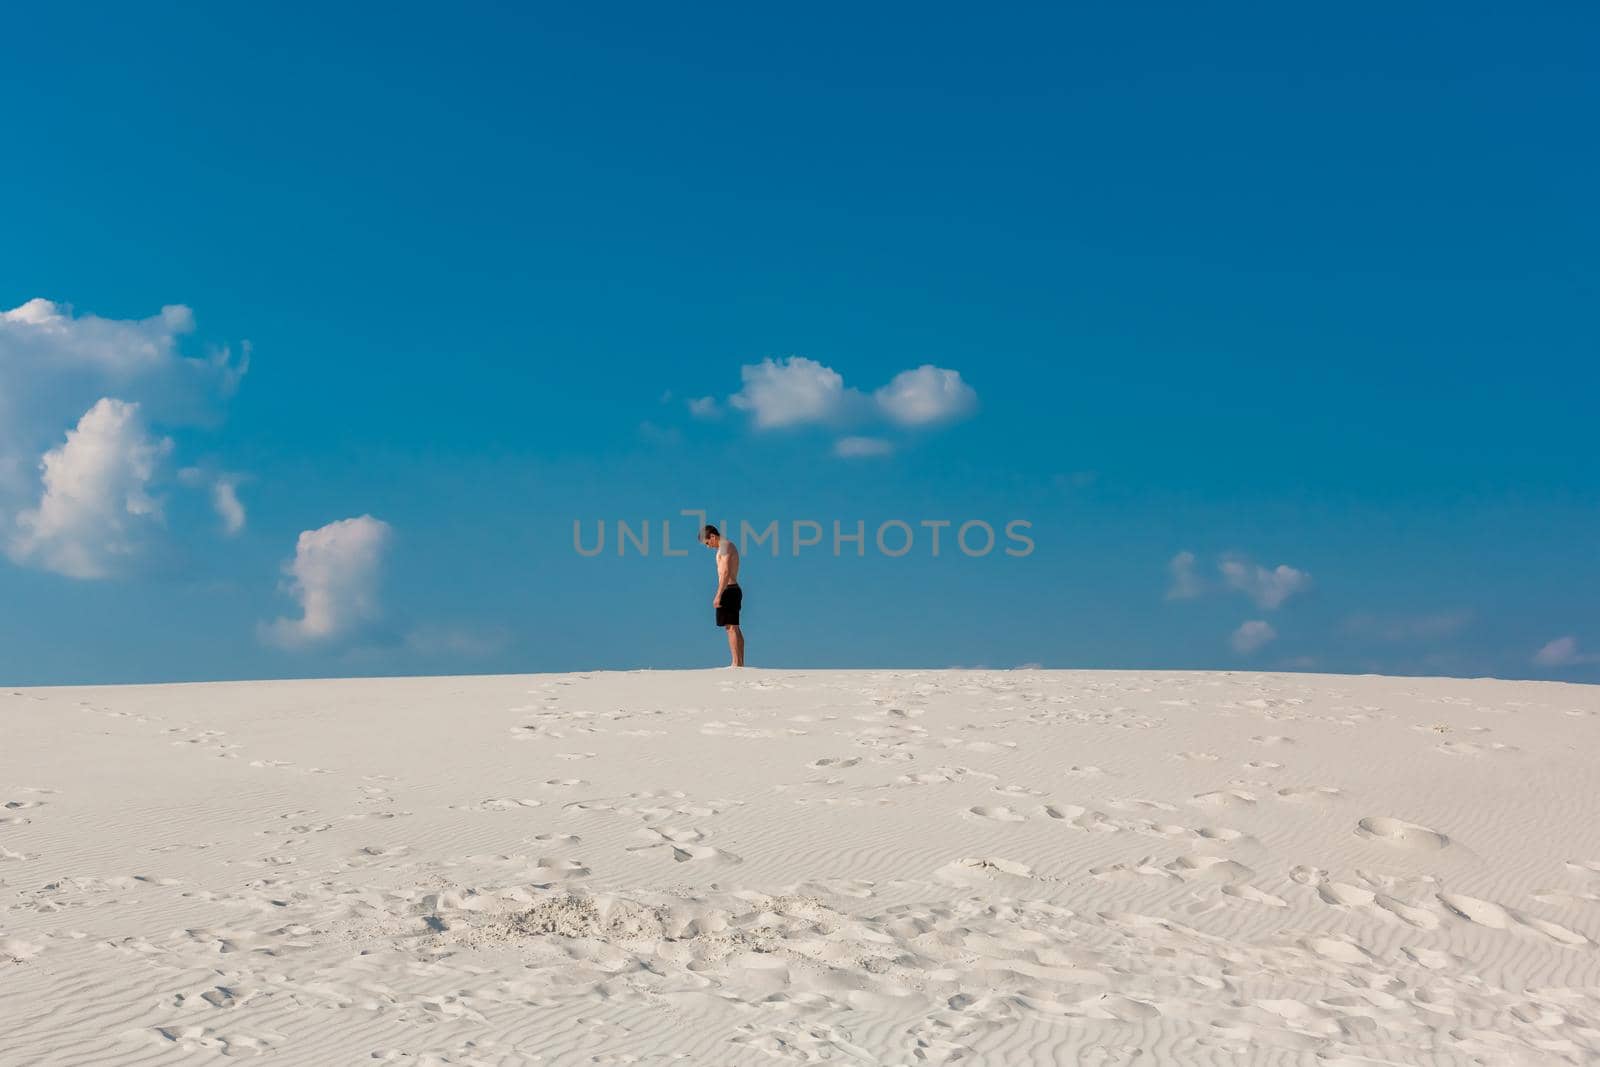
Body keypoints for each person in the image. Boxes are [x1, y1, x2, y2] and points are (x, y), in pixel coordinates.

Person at [701, 525, 744, 667]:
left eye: (707, 543)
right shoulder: (725, 547)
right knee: (733, 627)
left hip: (729, 590)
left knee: (731, 627)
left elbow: (725, 572)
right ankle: (739, 662)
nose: (708, 547)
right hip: (731, 589)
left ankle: (736, 663)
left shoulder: (725, 546)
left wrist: (719, 594)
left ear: (712, 536)